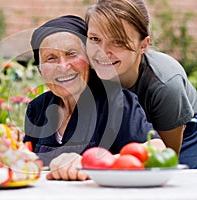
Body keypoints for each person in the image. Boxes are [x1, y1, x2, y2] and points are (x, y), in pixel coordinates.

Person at [23, 15, 165, 180]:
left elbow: (157, 148)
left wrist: (90, 162)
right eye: (51, 58)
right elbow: (27, 159)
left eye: (72, 54)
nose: (63, 66)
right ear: (40, 68)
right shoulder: (37, 108)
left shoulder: (116, 101)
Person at [85, 0, 197, 168]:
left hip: (184, 132)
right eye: (95, 38)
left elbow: (167, 155)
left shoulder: (165, 84)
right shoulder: (87, 71)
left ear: (143, 45)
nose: (102, 51)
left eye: (118, 42)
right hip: (132, 130)